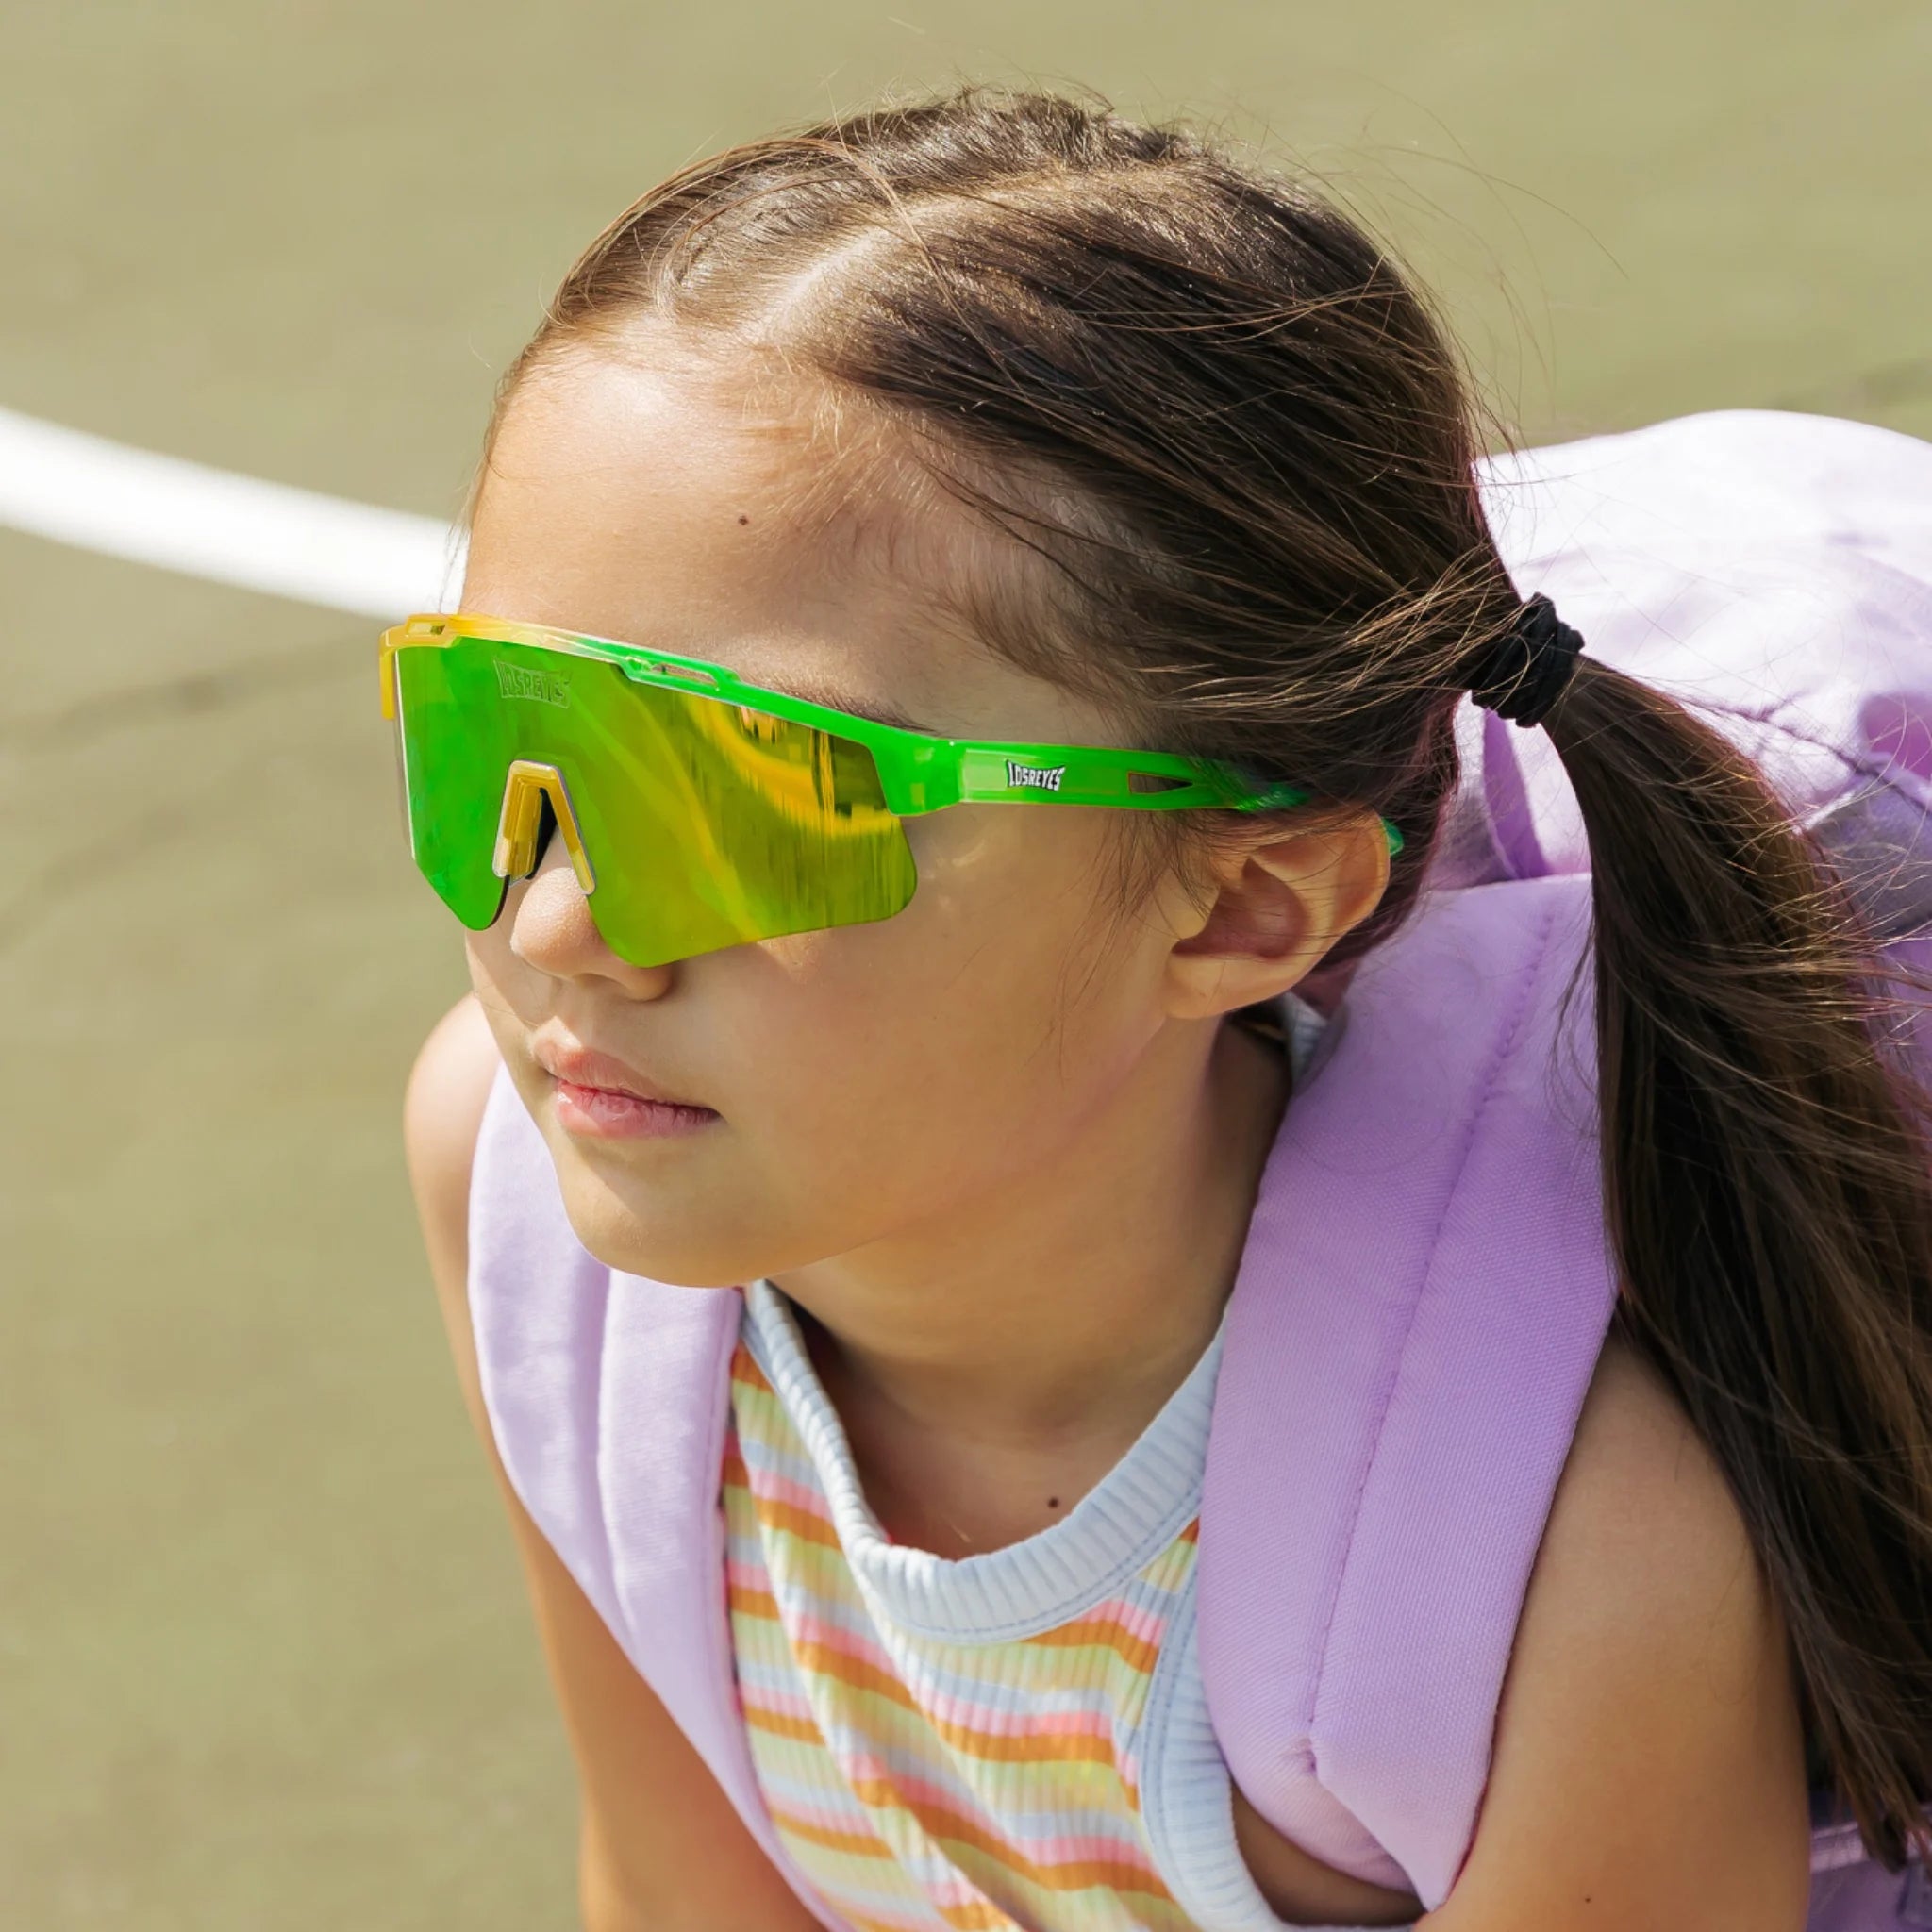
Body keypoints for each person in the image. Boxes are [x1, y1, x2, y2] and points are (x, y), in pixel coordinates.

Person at [397, 87, 1932, 1931]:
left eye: (740, 796)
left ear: (1248, 903)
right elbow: (678, 1893)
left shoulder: (1541, 1548)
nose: (557, 923)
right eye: (499, 740)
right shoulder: (533, 1206)